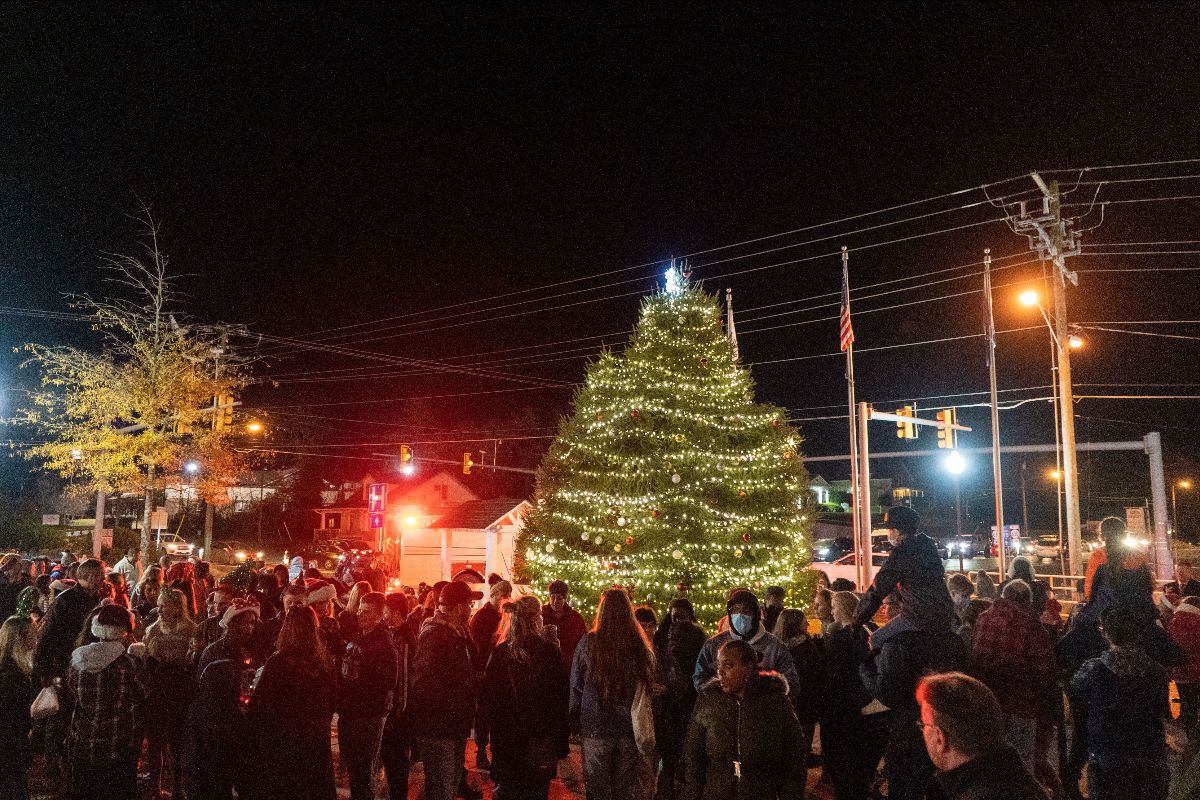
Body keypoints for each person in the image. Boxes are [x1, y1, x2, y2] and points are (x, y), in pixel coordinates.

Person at [860, 586, 968, 800]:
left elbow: (887, 693)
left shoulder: (898, 642)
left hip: (910, 730)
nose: (885, 611)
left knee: (905, 788)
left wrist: (865, 670)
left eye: (887, 605)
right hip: (948, 730)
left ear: (902, 607)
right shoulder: (952, 640)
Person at [681, 638, 806, 800]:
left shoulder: (775, 702)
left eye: (728, 666)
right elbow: (693, 755)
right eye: (718, 666)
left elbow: (794, 757)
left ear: (747, 668)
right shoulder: (709, 701)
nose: (720, 673)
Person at [1070, 607, 1170, 800]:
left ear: (1106, 634)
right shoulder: (1157, 672)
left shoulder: (1093, 669)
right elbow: (1161, 706)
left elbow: (1076, 690)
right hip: (1149, 754)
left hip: (1107, 756)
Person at [571, 587, 657, 800]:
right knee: (624, 788)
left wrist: (574, 716)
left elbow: (577, 684)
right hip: (628, 726)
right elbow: (647, 681)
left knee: (597, 787)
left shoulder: (590, 643)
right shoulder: (638, 645)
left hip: (596, 724)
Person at [484, 595, 570, 800]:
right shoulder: (548, 653)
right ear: (536, 619)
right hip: (539, 740)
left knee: (508, 792)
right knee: (536, 793)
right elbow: (559, 699)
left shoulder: (502, 653)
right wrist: (560, 741)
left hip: (508, 741)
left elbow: (490, 700)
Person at [247, 606, 337, 800]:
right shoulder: (322, 662)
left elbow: (260, 703)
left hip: (282, 743)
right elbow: (329, 702)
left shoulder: (278, 662)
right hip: (312, 742)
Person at [968, 579, 1057, 770]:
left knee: (990, 764)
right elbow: (1045, 672)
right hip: (1020, 707)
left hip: (987, 705)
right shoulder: (1031, 626)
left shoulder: (983, 618)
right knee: (1020, 766)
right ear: (1027, 602)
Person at [63, 604, 148, 800]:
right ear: (124, 631)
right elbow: (145, 692)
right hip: (119, 743)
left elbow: (70, 692)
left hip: (84, 740)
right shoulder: (129, 664)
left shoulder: (78, 659)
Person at [916, 672, 1047, 800]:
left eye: (923, 724)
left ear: (940, 738)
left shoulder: (977, 792)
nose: (922, 731)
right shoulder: (1022, 782)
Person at [409, 579, 484, 800]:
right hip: (439, 726)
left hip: (453, 725)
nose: (471, 609)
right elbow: (423, 683)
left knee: (443, 785)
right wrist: (455, 702)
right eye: (469, 605)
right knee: (442, 787)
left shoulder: (457, 631)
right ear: (459, 607)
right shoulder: (435, 635)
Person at [32, 557, 104, 785]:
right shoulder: (66, 600)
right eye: (96, 576)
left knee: (79, 717)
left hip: (88, 668)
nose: (100, 580)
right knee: (59, 718)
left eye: (101, 576)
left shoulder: (98, 601)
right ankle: (52, 770)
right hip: (64, 666)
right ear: (85, 576)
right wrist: (44, 670)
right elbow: (48, 636)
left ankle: (72, 765)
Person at [820, 591, 888, 800]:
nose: (831, 611)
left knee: (846, 775)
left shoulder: (841, 639)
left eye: (833, 607)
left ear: (841, 609)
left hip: (846, 713)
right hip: (874, 709)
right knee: (863, 773)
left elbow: (833, 677)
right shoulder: (875, 632)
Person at [854, 505, 955, 636]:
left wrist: (857, 621)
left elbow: (878, 589)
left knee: (876, 639)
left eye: (890, 530)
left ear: (897, 531)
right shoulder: (927, 548)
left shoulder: (901, 554)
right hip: (945, 614)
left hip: (918, 617)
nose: (889, 534)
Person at [337, 591, 398, 800]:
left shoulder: (383, 644)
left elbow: (386, 683)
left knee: (363, 768)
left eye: (366, 612)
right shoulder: (359, 635)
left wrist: (361, 700)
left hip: (367, 715)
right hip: (351, 712)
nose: (360, 616)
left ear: (379, 615)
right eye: (360, 611)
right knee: (355, 766)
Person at [144, 585, 198, 799]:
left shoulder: (191, 631)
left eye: (163, 606)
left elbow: (192, 662)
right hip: (157, 692)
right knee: (155, 743)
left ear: (177, 608)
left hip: (179, 694)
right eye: (158, 606)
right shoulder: (153, 630)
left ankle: (177, 787)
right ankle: (154, 787)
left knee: (176, 743)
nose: (159, 611)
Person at [692, 589, 800, 693]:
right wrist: (716, 688)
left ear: (756, 614)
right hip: (723, 709)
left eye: (746, 611)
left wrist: (766, 689)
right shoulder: (713, 645)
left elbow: (791, 684)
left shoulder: (775, 647)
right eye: (735, 610)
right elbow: (699, 677)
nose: (739, 615)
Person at [653, 598, 707, 800]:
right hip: (668, 711)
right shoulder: (664, 636)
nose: (677, 621)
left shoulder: (696, 637)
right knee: (669, 760)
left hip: (688, 706)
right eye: (674, 617)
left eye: (682, 617)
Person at [181, 658, 248, 800]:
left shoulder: (198, 708)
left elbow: (190, 750)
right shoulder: (233, 714)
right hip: (217, 780)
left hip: (204, 780)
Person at [471, 578, 513, 770]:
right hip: (485, 672)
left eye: (508, 595)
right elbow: (476, 646)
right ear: (495, 595)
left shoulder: (505, 615)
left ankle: (496, 753)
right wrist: (492, 640)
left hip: (501, 672)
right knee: (484, 714)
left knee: (497, 714)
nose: (506, 599)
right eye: (503, 595)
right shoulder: (482, 616)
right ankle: (481, 750)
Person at [380, 593, 417, 800]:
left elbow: (402, 682)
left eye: (385, 612)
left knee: (396, 765)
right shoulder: (396, 634)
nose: (383, 616)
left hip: (397, 719)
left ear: (395, 613)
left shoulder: (403, 639)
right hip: (395, 716)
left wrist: (395, 717)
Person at [771, 608, 823, 751]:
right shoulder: (806, 645)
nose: (807, 624)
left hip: (783, 700)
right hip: (805, 700)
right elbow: (815, 671)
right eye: (803, 621)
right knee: (803, 738)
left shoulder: (775, 645)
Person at [0, 615, 37, 800]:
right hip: (9, 748)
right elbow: (11, 715)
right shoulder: (11, 674)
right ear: (20, 638)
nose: (36, 639)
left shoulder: (13, 668)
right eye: (33, 635)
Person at [198, 599, 261, 694]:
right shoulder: (213, 651)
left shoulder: (255, 650)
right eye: (244, 623)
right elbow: (202, 683)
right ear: (233, 625)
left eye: (252, 623)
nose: (249, 627)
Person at [1170, 595, 1200, 732]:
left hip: (1178, 672)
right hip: (1196, 673)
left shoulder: (1172, 622)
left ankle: (1185, 728)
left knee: (1183, 701)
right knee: (1195, 702)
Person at [543, 579, 587, 667]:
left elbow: (583, 642)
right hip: (545, 663)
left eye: (559, 598)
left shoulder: (575, 617)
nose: (555, 601)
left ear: (565, 599)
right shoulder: (541, 614)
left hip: (569, 664)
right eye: (553, 597)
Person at [189, 583, 235, 664]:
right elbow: (189, 659)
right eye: (215, 603)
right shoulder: (204, 626)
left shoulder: (240, 625)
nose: (217, 608)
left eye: (223, 604)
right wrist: (196, 652)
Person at [0, 554, 31, 620]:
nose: (15, 566)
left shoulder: (24, 581)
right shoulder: (2, 580)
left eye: (18, 564)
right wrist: (2, 569)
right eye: (11, 563)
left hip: (16, 619)